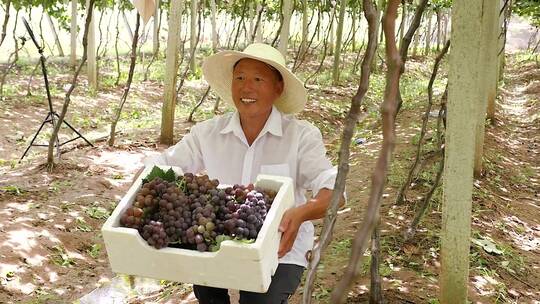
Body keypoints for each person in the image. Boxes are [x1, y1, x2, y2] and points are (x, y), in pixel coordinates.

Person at [142, 43, 343, 304]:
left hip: (281, 249)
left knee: (258, 299)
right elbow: (165, 166)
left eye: (258, 79)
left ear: (278, 88)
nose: (247, 88)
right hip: (218, 240)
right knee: (208, 294)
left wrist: (301, 213)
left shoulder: (301, 137)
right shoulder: (208, 133)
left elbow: (334, 188)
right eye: (240, 78)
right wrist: (142, 188)